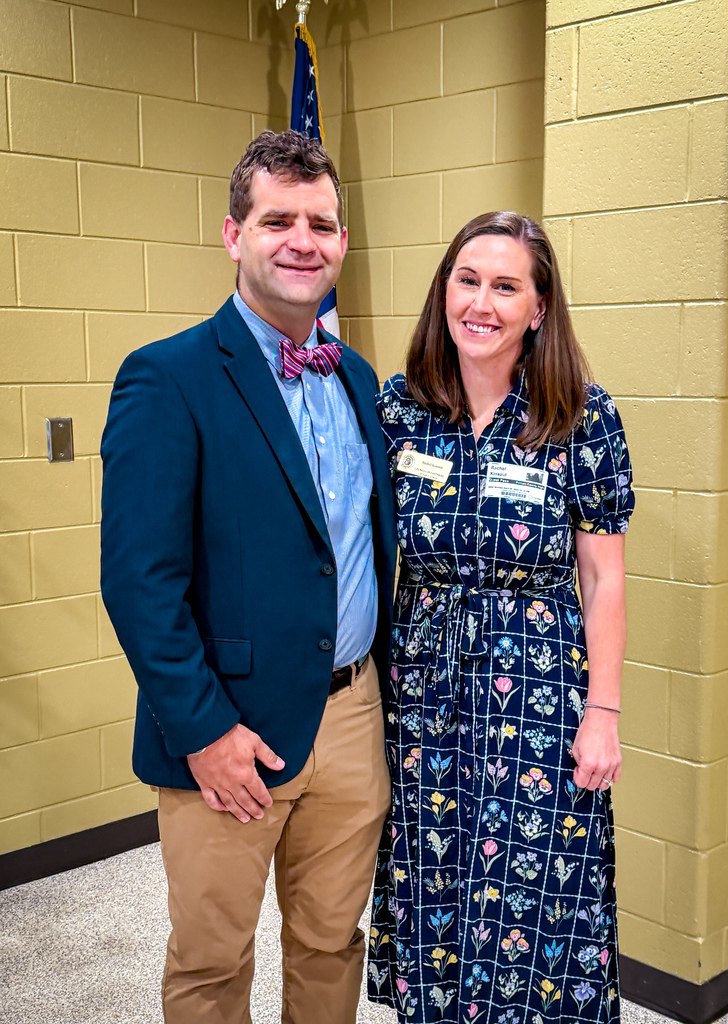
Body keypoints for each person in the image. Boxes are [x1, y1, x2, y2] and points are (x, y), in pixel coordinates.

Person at [100, 130, 396, 1024]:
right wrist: (203, 731)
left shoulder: (360, 379)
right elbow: (139, 581)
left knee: (330, 942)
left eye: (322, 222)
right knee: (213, 960)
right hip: (228, 734)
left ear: (342, 242)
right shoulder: (168, 377)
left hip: (352, 717)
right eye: (278, 220)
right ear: (234, 235)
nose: (303, 239)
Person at [367, 211, 634, 1024]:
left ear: (539, 307)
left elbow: (605, 577)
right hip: (422, 697)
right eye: (467, 280)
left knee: (540, 892)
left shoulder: (583, 415)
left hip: (542, 696)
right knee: (434, 892)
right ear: (444, 291)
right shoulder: (400, 409)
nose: (482, 302)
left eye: (506, 286)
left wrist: (604, 712)